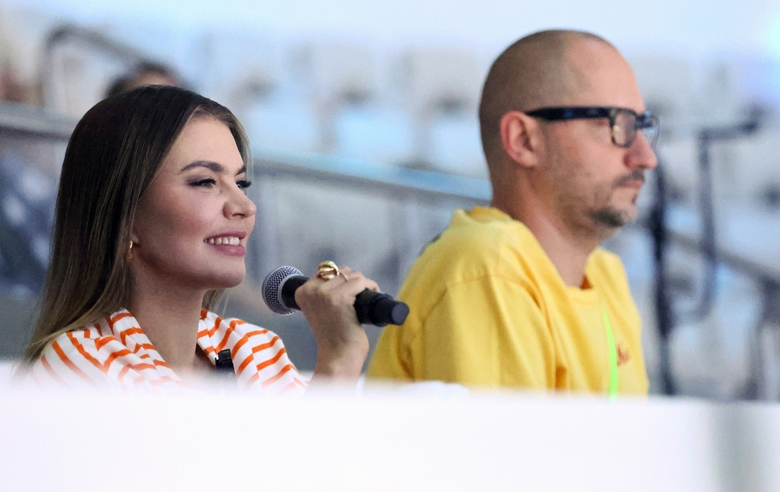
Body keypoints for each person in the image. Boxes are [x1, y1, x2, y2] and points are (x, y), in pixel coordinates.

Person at [22, 85, 375, 391]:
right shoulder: (78, 365)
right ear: (125, 216)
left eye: (241, 183)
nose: (244, 206)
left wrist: (340, 359)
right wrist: (337, 363)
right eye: (205, 182)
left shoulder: (256, 349)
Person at [367, 30, 658, 395]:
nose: (646, 158)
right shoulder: (487, 266)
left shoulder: (606, 275)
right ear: (523, 140)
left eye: (642, 126)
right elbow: (510, 454)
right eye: (616, 124)